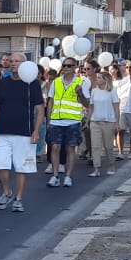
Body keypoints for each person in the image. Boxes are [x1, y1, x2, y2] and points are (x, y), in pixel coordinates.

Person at [0, 53, 45, 213]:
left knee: (21, 167)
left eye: (17, 61)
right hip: (3, 131)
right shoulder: (3, 83)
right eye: (11, 61)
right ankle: (7, 192)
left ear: (25, 64)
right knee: (0, 165)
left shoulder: (32, 84)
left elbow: (40, 109)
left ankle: (18, 199)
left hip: (24, 132)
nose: (13, 64)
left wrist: (36, 130)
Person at [44, 57, 88, 188]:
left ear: (75, 68)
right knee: (55, 147)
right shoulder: (56, 82)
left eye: (69, 66)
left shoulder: (81, 82)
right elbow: (50, 101)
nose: (66, 68)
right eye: (64, 65)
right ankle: (55, 175)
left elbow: (86, 103)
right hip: (57, 120)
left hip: (72, 120)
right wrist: (49, 119)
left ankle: (68, 176)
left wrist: (80, 93)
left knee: (70, 148)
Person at [87, 70, 119, 177]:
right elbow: (91, 107)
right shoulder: (94, 91)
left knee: (108, 146)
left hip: (108, 122)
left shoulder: (112, 91)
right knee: (95, 146)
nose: (97, 79)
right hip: (95, 121)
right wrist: (88, 120)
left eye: (99, 78)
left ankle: (111, 164)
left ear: (105, 80)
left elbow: (116, 107)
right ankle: (96, 168)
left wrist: (117, 122)